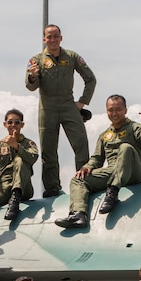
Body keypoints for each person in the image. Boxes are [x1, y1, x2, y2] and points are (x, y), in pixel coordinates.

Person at [55, 95, 141, 229]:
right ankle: (78, 215)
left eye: (118, 109)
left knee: (125, 147)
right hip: (112, 172)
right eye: (110, 110)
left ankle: (112, 193)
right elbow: (97, 159)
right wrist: (87, 167)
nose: (114, 113)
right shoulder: (105, 135)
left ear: (125, 110)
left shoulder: (134, 127)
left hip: (133, 171)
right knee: (78, 179)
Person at [25, 24, 96, 198]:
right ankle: (52, 188)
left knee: (81, 144)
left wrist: (82, 102)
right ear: (44, 39)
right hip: (47, 108)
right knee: (48, 150)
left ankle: (84, 181)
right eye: (49, 37)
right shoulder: (36, 60)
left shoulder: (72, 57)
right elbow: (30, 86)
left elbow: (91, 79)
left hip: (68, 106)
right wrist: (33, 76)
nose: (53, 39)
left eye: (56, 36)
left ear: (61, 38)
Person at [0, 108, 39, 221]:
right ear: (5, 124)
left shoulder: (28, 143)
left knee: (20, 160)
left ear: (22, 125)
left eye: (17, 122)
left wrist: (17, 146)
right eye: (10, 122)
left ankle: (15, 198)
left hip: (23, 187)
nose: (13, 125)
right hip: (4, 187)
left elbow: (33, 158)